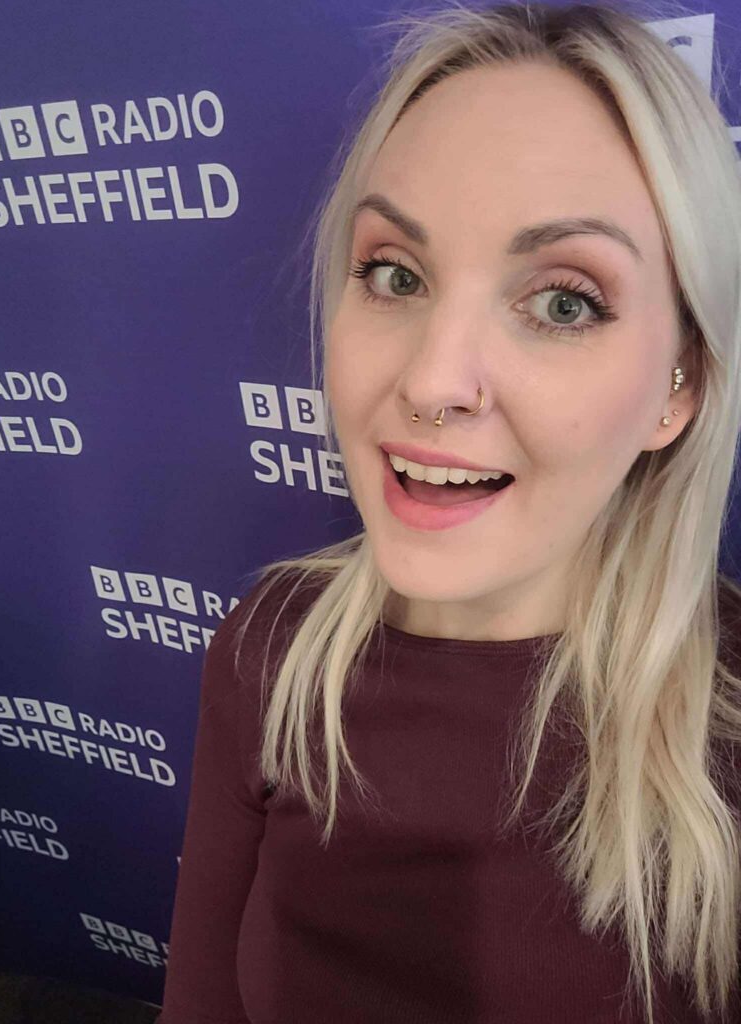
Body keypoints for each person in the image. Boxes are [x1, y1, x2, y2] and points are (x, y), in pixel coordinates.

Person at [155, 2, 741, 1022]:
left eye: (563, 302)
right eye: (395, 275)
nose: (433, 381)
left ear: (678, 385)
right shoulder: (269, 652)